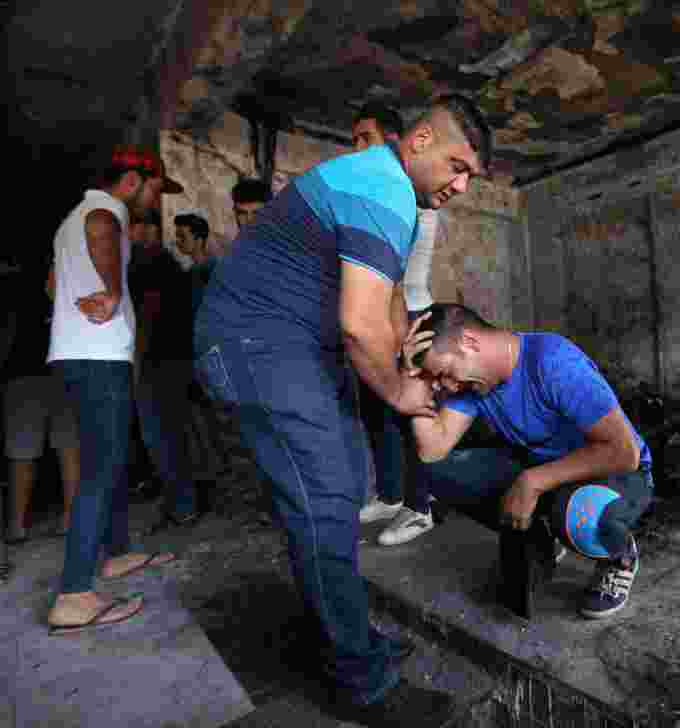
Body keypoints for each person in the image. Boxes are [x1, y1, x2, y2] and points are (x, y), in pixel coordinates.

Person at [193, 94, 491, 722]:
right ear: (419, 140)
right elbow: (360, 327)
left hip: (283, 344)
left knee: (334, 491)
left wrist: (415, 355)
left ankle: (344, 639)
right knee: (327, 498)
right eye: (457, 165)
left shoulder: (387, 192)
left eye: (471, 176)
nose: (461, 185)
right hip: (259, 345)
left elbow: (384, 311)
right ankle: (365, 684)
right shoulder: (382, 186)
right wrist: (404, 394)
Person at [398, 303, 655, 620]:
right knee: (437, 471)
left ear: (469, 342)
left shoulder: (552, 361)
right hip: (545, 470)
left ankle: (620, 556)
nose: (447, 387)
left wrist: (532, 482)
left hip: (615, 472)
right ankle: (541, 540)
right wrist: (410, 375)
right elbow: (431, 451)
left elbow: (623, 452)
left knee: (579, 515)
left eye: (445, 373)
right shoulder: (473, 384)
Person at [46, 144, 181, 635]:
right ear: (131, 181)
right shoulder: (105, 211)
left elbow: (49, 285)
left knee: (111, 457)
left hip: (83, 354)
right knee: (101, 467)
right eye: (152, 189)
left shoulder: (72, 218)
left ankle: (114, 553)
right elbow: (102, 234)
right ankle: (75, 593)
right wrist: (113, 290)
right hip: (97, 357)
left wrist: (78, 302)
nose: (153, 199)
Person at [346, 104, 446, 530]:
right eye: (353, 142)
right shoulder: (379, 190)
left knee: (410, 408)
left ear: (391, 140)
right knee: (377, 406)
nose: (357, 149)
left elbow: (394, 276)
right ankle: (391, 494)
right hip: (380, 310)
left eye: (364, 139)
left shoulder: (409, 192)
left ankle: (420, 506)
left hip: (409, 311)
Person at [127, 209, 202, 529]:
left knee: (162, 436)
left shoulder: (148, 262)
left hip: (159, 363)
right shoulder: (165, 262)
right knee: (172, 434)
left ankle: (182, 504)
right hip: (174, 359)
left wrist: (137, 362)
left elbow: (149, 312)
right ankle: (183, 501)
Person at [4, 259, 80, 545]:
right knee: (32, 449)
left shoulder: (20, 293)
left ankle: (24, 524)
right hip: (34, 375)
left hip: (47, 374)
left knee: (62, 445)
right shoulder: (59, 295)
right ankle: (20, 524)